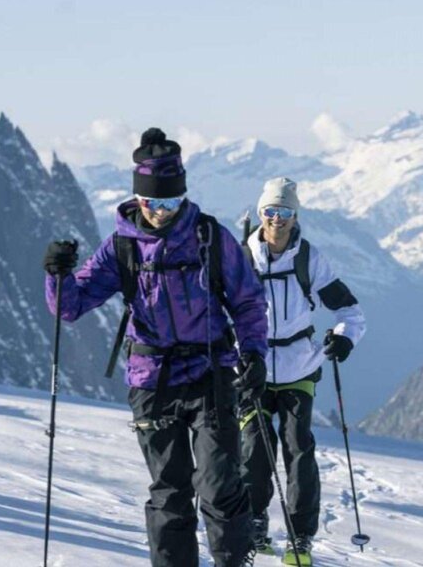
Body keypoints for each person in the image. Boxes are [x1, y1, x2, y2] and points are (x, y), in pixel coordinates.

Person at [43, 128, 269, 567]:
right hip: (153, 381)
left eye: (168, 202)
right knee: (170, 492)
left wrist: (255, 353)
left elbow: (247, 301)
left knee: (220, 484)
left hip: (211, 373)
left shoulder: (209, 237)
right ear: (137, 198)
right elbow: (71, 307)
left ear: (181, 197)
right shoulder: (122, 246)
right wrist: (57, 274)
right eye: (150, 202)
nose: (159, 211)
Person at [239, 177, 366, 565]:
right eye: (270, 212)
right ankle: (254, 524)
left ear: (295, 216)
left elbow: (351, 311)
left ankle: (300, 538)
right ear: (261, 214)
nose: (277, 219)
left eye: (285, 212)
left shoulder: (309, 260)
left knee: (299, 450)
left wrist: (344, 338)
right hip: (252, 368)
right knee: (254, 452)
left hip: (299, 367)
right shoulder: (240, 259)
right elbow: (218, 309)